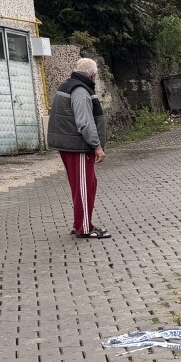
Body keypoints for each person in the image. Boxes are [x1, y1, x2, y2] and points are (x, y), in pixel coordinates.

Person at [48, 58, 110, 239]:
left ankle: (81, 224)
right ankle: (84, 228)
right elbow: (84, 122)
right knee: (84, 187)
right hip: (78, 147)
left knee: (87, 184)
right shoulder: (81, 90)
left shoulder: (69, 85)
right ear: (93, 75)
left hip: (71, 145)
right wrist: (97, 146)